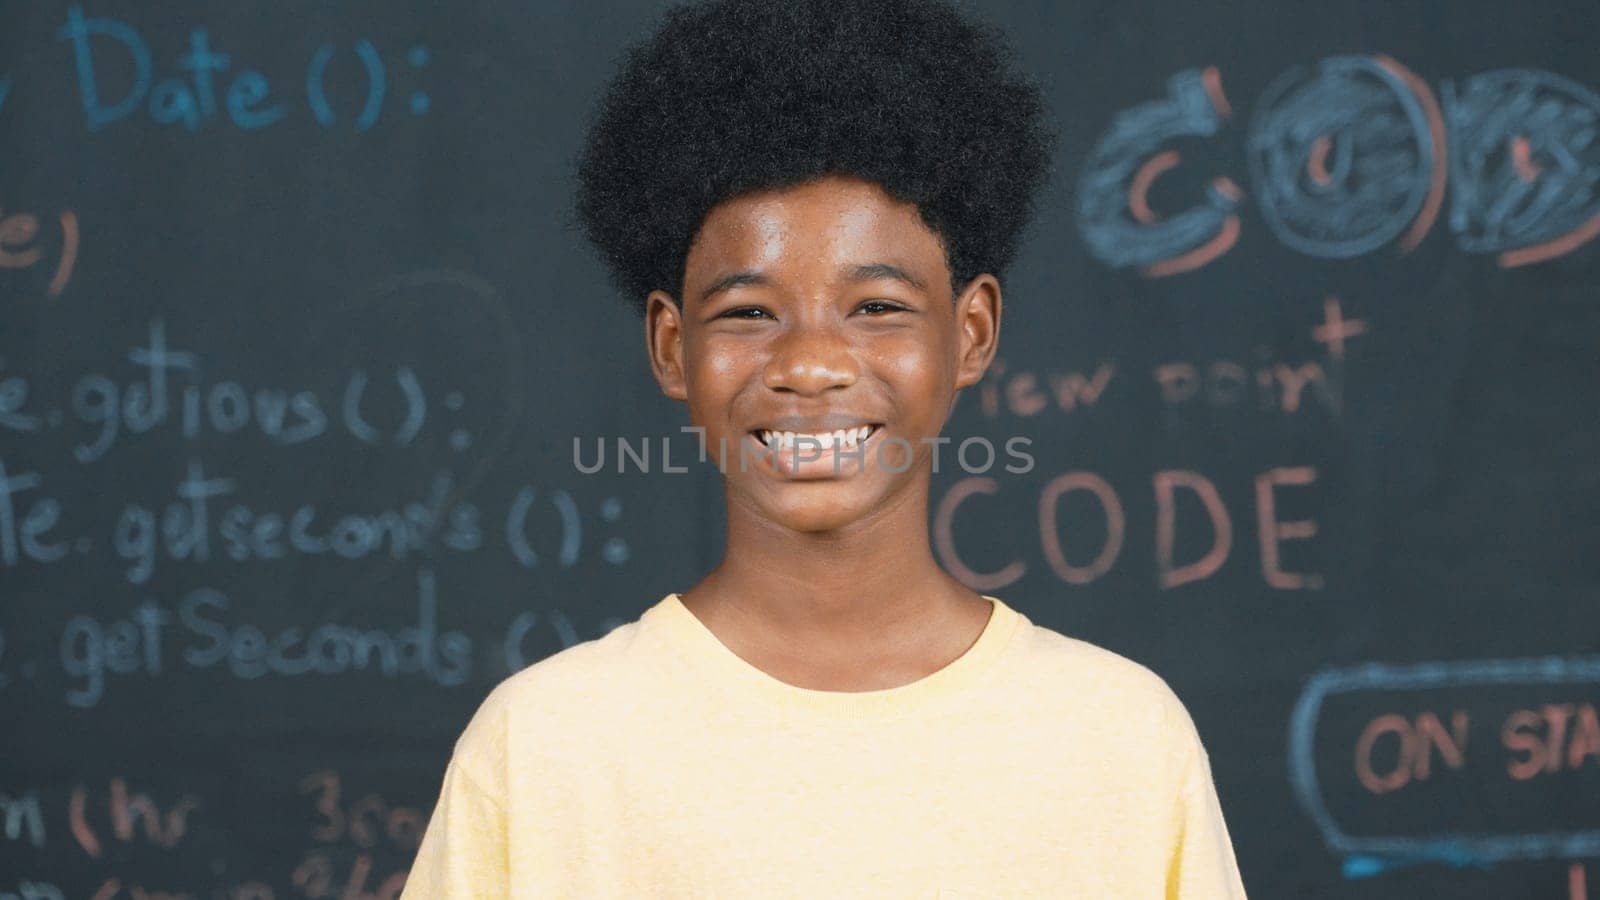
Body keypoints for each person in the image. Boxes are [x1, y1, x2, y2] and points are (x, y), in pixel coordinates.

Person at [403, 0, 1248, 895]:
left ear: (971, 332)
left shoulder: (1121, 739)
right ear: (669, 346)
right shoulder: (544, 747)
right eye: (747, 312)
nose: (809, 365)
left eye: (877, 307)